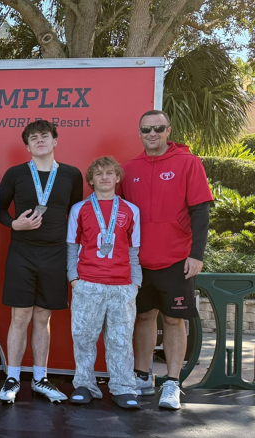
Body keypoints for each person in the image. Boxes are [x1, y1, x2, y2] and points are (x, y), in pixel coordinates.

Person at [119, 110, 213, 410]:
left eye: (158, 128)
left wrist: (197, 254)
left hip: (176, 259)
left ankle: (172, 383)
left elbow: (200, 211)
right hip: (139, 261)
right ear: (140, 132)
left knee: (174, 320)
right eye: (146, 129)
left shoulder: (189, 162)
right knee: (144, 317)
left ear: (168, 130)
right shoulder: (129, 168)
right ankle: (143, 377)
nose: (153, 133)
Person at [0, 120, 83, 403]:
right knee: (20, 316)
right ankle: (12, 377)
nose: (39, 141)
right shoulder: (15, 174)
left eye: (45, 136)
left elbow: (75, 214)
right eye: (33, 138)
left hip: (55, 254)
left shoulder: (72, 174)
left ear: (55, 141)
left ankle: (40, 378)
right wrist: (14, 225)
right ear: (27, 146)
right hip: (22, 252)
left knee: (43, 317)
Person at [66, 157, 141, 409]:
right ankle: (85, 384)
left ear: (118, 178)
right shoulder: (79, 209)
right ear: (91, 180)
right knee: (84, 337)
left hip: (122, 286)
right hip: (88, 283)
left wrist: (135, 284)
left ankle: (122, 387)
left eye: (110, 173)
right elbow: (72, 248)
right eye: (98, 174)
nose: (105, 177)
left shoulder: (131, 210)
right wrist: (74, 279)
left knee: (121, 339)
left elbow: (133, 250)